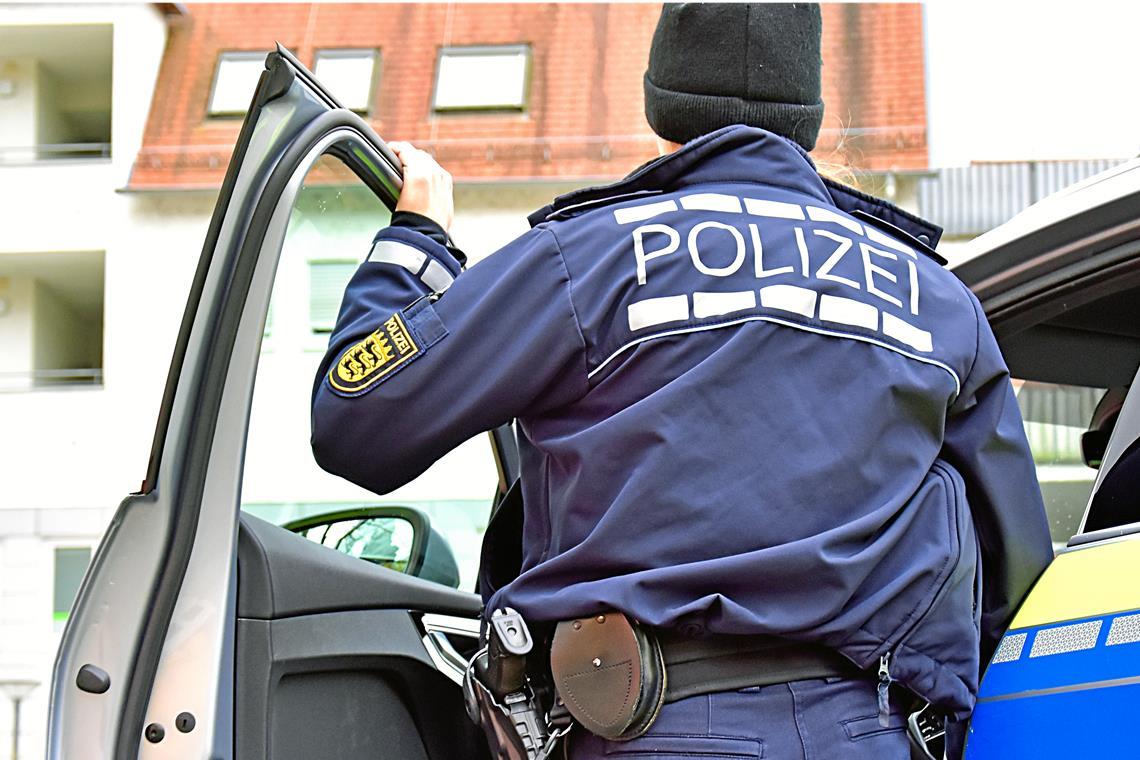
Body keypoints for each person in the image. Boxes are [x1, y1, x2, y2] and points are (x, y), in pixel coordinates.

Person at [310, 4, 1053, 758]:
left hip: (650, 727)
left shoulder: (584, 260)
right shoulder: (929, 294)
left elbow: (357, 420)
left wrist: (417, 243)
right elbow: (1017, 579)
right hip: (877, 733)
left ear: (660, 100)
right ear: (809, 115)